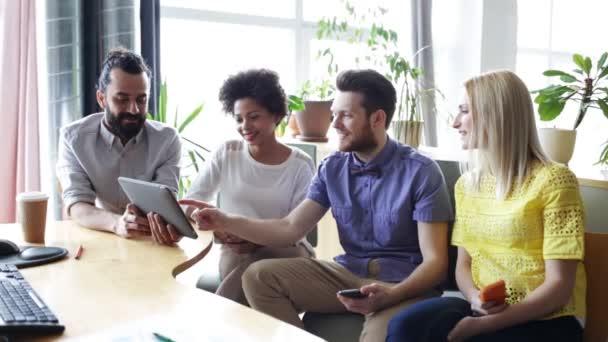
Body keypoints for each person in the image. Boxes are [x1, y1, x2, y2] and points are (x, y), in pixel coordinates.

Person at [181, 69, 453, 342]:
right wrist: (224, 220)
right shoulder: (332, 168)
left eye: (346, 115)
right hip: (348, 273)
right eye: (334, 114)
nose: (334, 124)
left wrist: (392, 296)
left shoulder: (421, 172)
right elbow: (290, 228)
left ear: (378, 119)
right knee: (257, 276)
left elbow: (435, 263)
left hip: (402, 281)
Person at [385, 70, 586, 342]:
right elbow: (464, 266)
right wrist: (475, 300)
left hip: (547, 318)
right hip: (482, 309)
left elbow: (559, 287)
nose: (456, 123)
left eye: (464, 111)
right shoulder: (467, 185)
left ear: (496, 115)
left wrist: (482, 326)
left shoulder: (555, 181)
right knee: (405, 326)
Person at [181, 69, 316, 304]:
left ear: (276, 115)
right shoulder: (227, 153)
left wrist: (254, 239)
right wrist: (218, 227)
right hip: (234, 251)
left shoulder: (300, 165)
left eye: (254, 117)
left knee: (253, 268)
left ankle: (214, 318)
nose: (245, 126)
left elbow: (296, 230)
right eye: (239, 118)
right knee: (244, 268)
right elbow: (190, 203)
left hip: (286, 251)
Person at [56, 48, 182, 245]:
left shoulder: (167, 139)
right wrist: (117, 223)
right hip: (100, 236)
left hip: (148, 239)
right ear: (101, 99)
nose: (134, 110)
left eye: (142, 99)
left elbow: (166, 202)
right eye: (122, 99)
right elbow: (77, 205)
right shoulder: (74, 139)